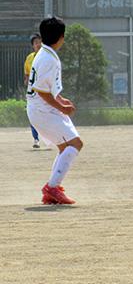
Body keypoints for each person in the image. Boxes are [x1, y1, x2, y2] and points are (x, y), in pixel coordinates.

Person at [27, 17, 82, 204]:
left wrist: (60, 99)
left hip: (42, 109)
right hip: (43, 111)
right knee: (75, 144)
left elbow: (46, 88)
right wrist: (62, 107)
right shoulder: (49, 59)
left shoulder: (44, 54)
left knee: (65, 147)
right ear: (60, 37)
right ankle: (51, 187)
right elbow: (41, 91)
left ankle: (52, 188)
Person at [24, 33, 42, 149]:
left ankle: (52, 137)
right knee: (32, 115)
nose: (38, 44)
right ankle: (36, 139)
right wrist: (26, 81)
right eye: (36, 42)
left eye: (40, 42)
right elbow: (27, 73)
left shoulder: (47, 56)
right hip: (32, 91)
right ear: (33, 45)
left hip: (44, 89)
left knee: (46, 114)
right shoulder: (30, 58)